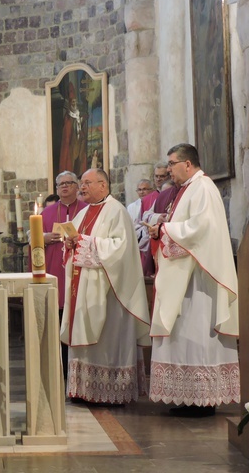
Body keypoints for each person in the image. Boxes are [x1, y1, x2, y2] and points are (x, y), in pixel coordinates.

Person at [148, 143, 239, 416]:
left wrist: (165, 229)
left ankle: (204, 399)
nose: (168, 171)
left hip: (200, 278)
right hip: (185, 274)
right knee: (184, 333)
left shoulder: (203, 187)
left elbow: (200, 228)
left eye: (172, 164)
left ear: (188, 164)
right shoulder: (186, 190)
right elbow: (185, 225)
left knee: (196, 331)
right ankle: (190, 397)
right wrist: (163, 226)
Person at [61, 168, 150, 404]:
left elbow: (120, 249)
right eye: (82, 183)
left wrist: (86, 243)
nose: (82, 187)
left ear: (103, 185)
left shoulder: (116, 211)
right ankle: (84, 389)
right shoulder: (81, 214)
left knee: (107, 336)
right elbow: (75, 246)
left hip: (109, 292)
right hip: (83, 289)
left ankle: (110, 391)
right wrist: (70, 243)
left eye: (88, 183)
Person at [35, 171, 87, 379]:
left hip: (79, 272)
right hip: (55, 270)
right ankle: (59, 370)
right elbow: (35, 243)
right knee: (57, 320)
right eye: (60, 184)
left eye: (69, 183)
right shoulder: (46, 214)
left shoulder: (86, 210)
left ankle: (80, 370)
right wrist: (44, 237)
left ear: (77, 186)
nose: (64, 187)